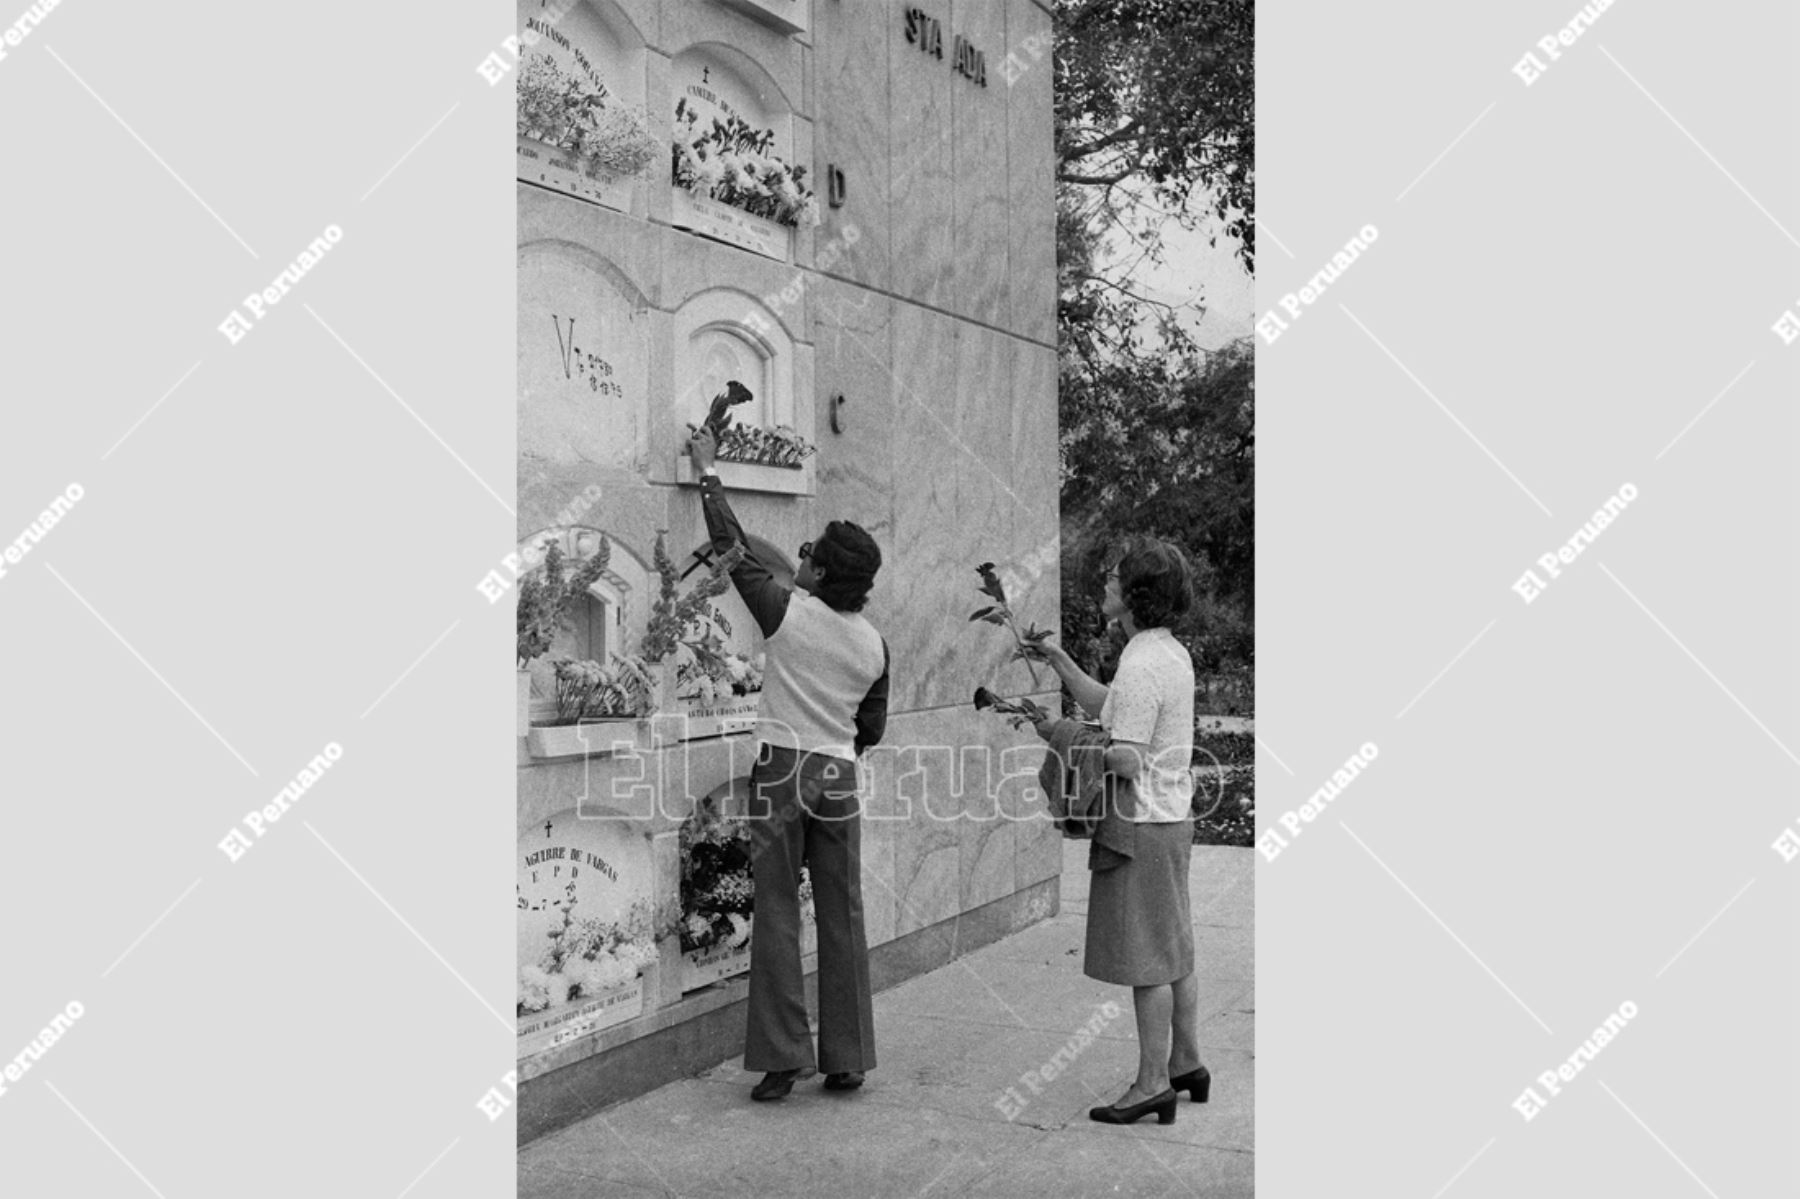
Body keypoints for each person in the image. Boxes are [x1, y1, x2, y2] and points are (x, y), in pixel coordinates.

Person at [687, 426, 890, 1102]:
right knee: (843, 909)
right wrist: (835, 752)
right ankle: (848, 1057)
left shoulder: (785, 615)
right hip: (839, 774)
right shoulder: (873, 645)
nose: (798, 557)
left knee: (776, 908)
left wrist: (708, 473)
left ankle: (782, 1058)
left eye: (808, 554)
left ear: (822, 574)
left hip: (782, 769)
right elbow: (872, 728)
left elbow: (732, 548)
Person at [1029, 539, 1206, 1126]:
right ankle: (1186, 1063)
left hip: (1141, 824)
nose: (1104, 584)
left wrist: (1062, 735)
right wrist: (1058, 662)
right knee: (1174, 949)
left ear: (1134, 595)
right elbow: (1115, 708)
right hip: (1170, 817)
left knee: (1146, 959)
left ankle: (1152, 1083)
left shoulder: (1141, 660)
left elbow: (1126, 757)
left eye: (1113, 579)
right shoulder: (1166, 653)